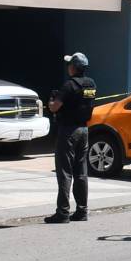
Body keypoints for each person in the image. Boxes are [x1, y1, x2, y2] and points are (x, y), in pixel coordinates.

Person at [43, 52, 96, 224]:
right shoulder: (91, 84)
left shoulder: (69, 85)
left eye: (69, 64)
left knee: (64, 172)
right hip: (84, 130)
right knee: (81, 172)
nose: (68, 67)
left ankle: (63, 212)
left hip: (69, 132)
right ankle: (82, 211)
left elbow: (54, 107)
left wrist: (51, 101)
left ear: (73, 67)